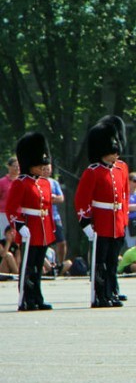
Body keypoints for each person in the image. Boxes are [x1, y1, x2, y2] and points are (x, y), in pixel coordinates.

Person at [75, 116, 129, 308]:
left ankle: (110, 292)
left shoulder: (121, 169)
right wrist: (86, 224)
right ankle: (100, 295)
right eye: (110, 152)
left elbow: (124, 198)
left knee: (113, 261)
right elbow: (82, 199)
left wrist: (124, 221)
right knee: (100, 262)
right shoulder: (93, 171)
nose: (115, 155)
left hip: (116, 221)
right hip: (101, 222)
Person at [5, 133, 56, 311]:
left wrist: (52, 229)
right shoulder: (21, 183)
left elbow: (48, 208)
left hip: (43, 229)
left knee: (38, 265)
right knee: (27, 266)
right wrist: (19, 226)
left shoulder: (45, 184)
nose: (43, 167)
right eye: (39, 164)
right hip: (29, 228)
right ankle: (26, 297)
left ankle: (37, 296)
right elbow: (11, 208)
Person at [41, 163, 67, 272]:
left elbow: (61, 198)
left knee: (61, 242)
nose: (46, 171)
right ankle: (46, 266)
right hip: (43, 217)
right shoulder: (37, 182)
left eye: (48, 169)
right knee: (42, 243)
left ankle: (59, 264)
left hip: (54, 217)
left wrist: (51, 199)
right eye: (44, 169)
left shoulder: (54, 183)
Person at [0, 157, 20, 237]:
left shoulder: (23, 181)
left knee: (18, 238)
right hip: (4, 215)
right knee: (4, 238)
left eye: (19, 166)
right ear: (9, 167)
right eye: (15, 166)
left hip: (19, 214)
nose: (17, 168)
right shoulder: (2, 182)